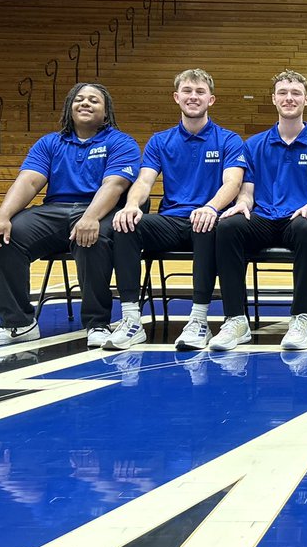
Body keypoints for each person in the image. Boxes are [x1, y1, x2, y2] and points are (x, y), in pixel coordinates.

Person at [0, 82, 139, 349]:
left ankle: (97, 323)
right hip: (55, 211)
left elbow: (115, 185)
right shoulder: (50, 143)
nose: (85, 103)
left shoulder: (121, 142)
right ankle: (18, 323)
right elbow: (28, 182)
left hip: (98, 209)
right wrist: (1, 217)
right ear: (69, 108)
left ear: (106, 112)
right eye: (79, 99)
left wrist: (90, 217)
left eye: (94, 100)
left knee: (92, 238)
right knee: (7, 236)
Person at [103, 69, 247, 351]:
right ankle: (131, 320)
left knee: (208, 225)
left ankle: (199, 321)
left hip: (207, 219)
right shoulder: (160, 140)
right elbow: (144, 180)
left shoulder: (228, 140)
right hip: (171, 220)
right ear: (176, 97)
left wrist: (210, 207)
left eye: (200, 92)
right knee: (125, 224)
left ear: (211, 99)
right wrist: (131, 206)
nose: (193, 97)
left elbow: (233, 182)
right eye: (188, 91)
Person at [212, 70, 307, 352]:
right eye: (283, 93)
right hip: (265, 218)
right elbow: (247, 190)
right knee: (228, 226)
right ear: (274, 99)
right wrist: (242, 204)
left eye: (295, 93)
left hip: (299, 218)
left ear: (306, 99)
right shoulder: (254, 144)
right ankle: (235, 320)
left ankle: (300, 319)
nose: (289, 98)